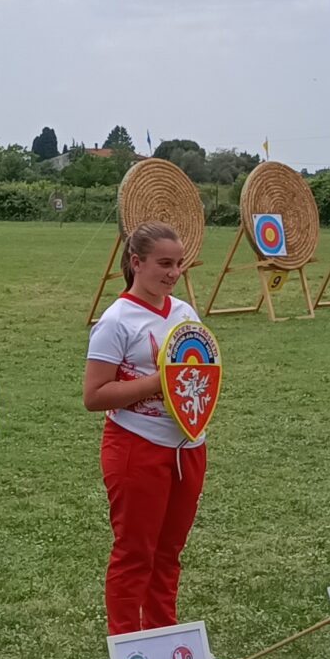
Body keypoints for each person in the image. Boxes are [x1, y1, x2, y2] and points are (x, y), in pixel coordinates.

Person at [84, 222, 208, 635]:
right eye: (164, 264)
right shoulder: (116, 320)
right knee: (135, 553)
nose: (174, 273)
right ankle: (126, 649)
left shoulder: (185, 312)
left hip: (188, 447)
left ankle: (163, 638)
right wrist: (161, 382)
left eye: (179, 264)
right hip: (136, 446)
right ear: (136, 262)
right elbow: (94, 396)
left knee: (169, 552)